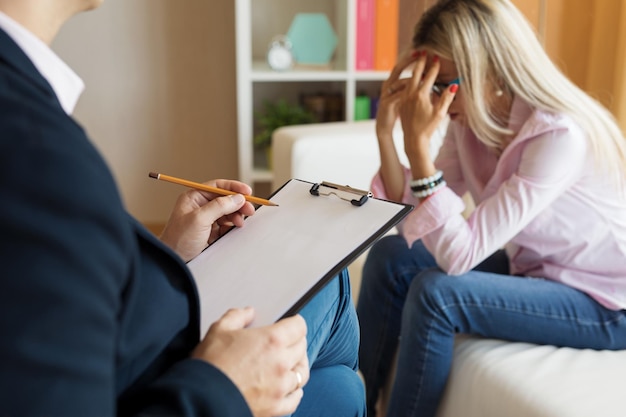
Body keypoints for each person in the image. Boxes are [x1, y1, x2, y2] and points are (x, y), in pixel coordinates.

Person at [0, 1, 365, 416]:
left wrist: (170, 253)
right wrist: (224, 388)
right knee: (331, 291)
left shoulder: (26, 118)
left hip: (138, 361)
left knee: (339, 389)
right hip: (179, 388)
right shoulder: (34, 156)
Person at [356, 0, 626, 416]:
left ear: (492, 70)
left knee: (438, 295)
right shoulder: (471, 122)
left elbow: (460, 255)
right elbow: (412, 218)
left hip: (604, 300)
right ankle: (355, 404)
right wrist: (386, 134)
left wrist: (418, 151)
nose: (433, 101)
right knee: (391, 257)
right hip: (536, 268)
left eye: (442, 83)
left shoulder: (556, 136)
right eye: (426, 83)